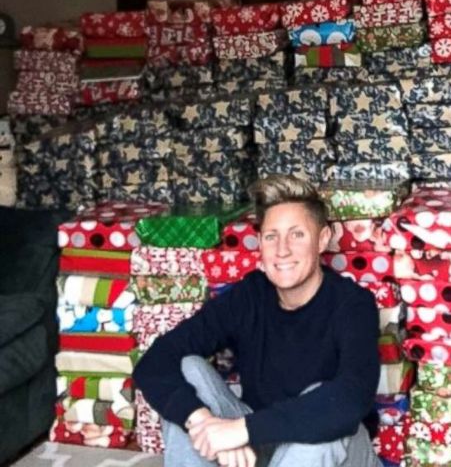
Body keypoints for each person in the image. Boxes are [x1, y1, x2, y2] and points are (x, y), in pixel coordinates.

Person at [133, 175, 381, 467]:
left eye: (297, 234)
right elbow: (155, 361)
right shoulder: (250, 294)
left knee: (321, 404)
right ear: (260, 242)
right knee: (188, 369)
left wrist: (240, 431)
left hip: (338, 453)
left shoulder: (352, 303)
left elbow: (351, 399)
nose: (282, 249)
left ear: (323, 239)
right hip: (261, 447)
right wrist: (203, 423)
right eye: (271, 236)